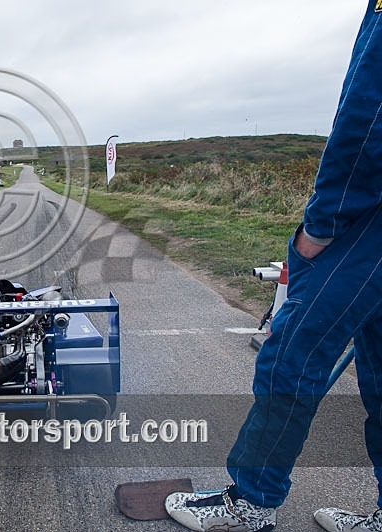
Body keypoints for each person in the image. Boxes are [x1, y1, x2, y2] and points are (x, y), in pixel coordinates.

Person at [165, 2, 382, 531]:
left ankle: (252, 502)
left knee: (292, 355)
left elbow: (370, 109)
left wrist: (323, 221)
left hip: (368, 223)